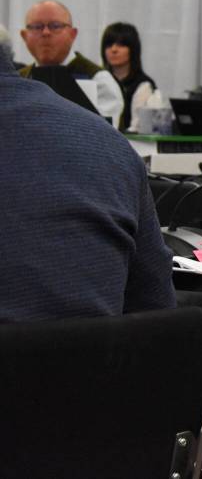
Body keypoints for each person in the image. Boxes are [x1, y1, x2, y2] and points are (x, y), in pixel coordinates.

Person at [0, 24, 175, 321]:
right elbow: (156, 305)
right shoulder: (111, 145)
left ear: (71, 33)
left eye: (53, 26)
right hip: (95, 362)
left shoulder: (100, 82)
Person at [19, 0, 124, 125]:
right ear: (24, 36)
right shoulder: (18, 79)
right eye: (37, 27)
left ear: (73, 34)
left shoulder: (98, 80)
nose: (45, 33)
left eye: (55, 26)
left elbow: (106, 133)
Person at [101, 22, 157, 132]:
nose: (113, 50)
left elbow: (137, 128)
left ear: (133, 49)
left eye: (121, 45)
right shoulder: (99, 81)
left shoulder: (143, 85)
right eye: (109, 45)